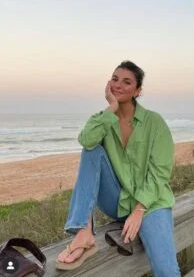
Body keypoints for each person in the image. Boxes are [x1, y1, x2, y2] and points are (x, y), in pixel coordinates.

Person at [56, 60, 181, 276]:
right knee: (92, 149)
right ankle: (83, 232)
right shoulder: (103, 119)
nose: (118, 85)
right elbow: (86, 140)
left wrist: (139, 210)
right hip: (118, 201)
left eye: (127, 82)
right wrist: (111, 109)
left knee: (165, 268)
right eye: (114, 79)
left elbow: (160, 173)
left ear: (138, 90)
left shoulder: (154, 122)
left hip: (151, 204)